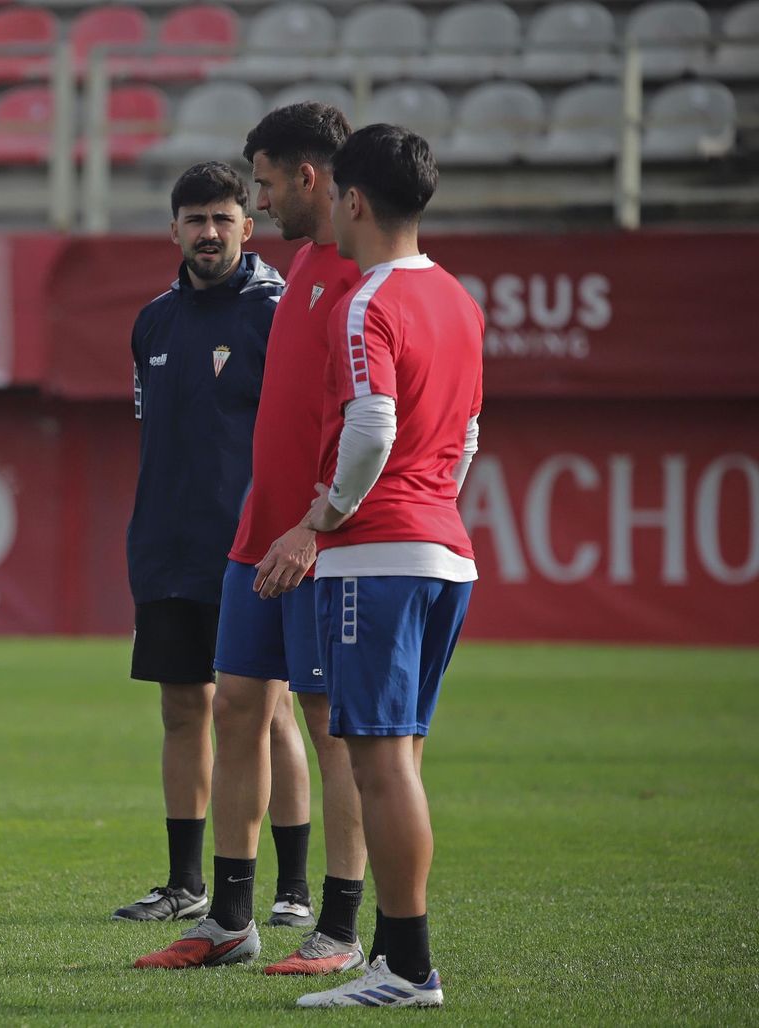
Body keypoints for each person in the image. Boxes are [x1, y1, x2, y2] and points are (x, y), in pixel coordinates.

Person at [136, 103, 369, 973]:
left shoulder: (351, 277)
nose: (255, 204)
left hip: (311, 541)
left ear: (306, 176)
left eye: (260, 187)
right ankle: (227, 922)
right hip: (241, 543)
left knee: (320, 725)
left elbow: (378, 421)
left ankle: (335, 924)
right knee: (231, 708)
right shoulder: (307, 264)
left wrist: (317, 523)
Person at [292, 124, 482, 1009]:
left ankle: (407, 968)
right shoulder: (457, 299)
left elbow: (372, 429)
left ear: (354, 200)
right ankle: (399, 959)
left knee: (381, 760)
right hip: (440, 549)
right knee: (392, 754)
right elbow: (469, 434)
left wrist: (326, 514)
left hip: (379, 555)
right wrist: (430, 501)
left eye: (331, 192)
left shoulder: (367, 302)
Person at [117, 162, 314, 924]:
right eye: (194, 219)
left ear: (248, 225)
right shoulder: (153, 322)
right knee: (180, 711)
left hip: (253, 549)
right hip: (167, 546)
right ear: (173, 228)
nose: (208, 232)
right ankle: (183, 884)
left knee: (269, 714)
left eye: (222, 218)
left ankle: (293, 888)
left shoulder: (277, 310)